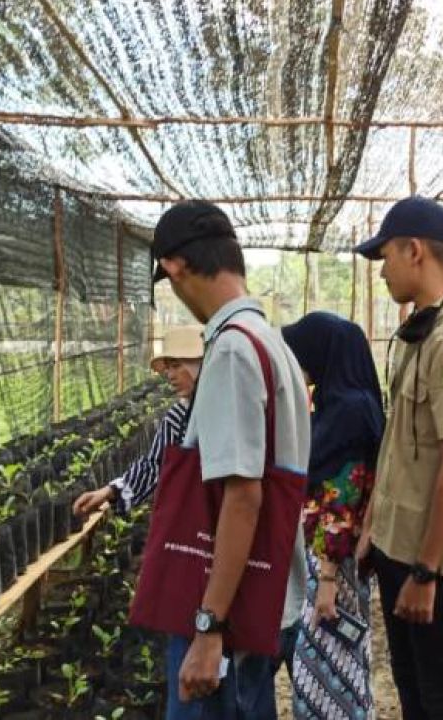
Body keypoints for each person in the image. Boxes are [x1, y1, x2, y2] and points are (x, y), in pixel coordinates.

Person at [134, 200, 311, 720]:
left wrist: (209, 629)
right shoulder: (271, 342)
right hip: (267, 596)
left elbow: (243, 495)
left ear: (174, 267)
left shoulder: (233, 351)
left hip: (228, 615)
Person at [353, 196, 443, 719]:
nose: (382, 271)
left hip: (426, 559)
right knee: (413, 688)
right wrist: (373, 525)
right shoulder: (417, 336)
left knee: (442, 698)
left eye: (385, 256)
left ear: (414, 251)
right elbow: (397, 445)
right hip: (397, 544)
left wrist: (427, 573)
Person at [281, 312, 384, 720]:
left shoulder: (348, 410)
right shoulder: (341, 402)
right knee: (337, 668)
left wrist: (326, 580)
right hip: (331, 558)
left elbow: (341, 499)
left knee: (326, 670)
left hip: (334, 562)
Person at [72, 325, 204, 517]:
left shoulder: (228, 412)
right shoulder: (177, 418)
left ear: (199, 365)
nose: (170, 375)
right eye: (168, 368)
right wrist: (109, 491)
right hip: (195, 520)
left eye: (177, 366)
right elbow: (154, 465)